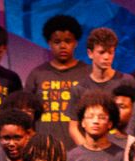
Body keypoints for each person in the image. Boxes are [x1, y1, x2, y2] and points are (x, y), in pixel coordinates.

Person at [24, 14, 90, 153]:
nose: (63, 46)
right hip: (45, 151)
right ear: (49, 43)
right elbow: (26, 113)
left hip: (80, 150)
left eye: (68, 41)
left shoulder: (87, 73)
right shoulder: (37, 74)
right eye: (57, 41)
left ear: (76, 43)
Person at [68, 27, 135, 146]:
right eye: (101, 52)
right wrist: (88, 150)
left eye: (110, 52)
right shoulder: (80, 88)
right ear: (90, 53)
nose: (106, 57)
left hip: (122, 149)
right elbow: (73, 128)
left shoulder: (127, 82)